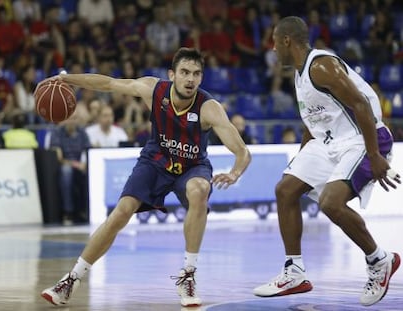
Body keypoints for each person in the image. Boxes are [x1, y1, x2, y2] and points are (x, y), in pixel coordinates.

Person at [40, 47, 251, 307]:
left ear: (201, 78)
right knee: (120, 213)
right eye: (185, 72)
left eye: (196, 74)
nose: (190, 79)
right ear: (172, 74)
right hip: (155, 160)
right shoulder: (153, 90)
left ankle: (188, 275)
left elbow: (242, 151)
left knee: (199, 190)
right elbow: (108, 83)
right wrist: (66, 79)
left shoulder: (210, 108)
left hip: (191, 166)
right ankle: (71, 280)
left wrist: (235, 172)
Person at [253, 16, 401, 307]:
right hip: (330, 142)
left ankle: (379, 260)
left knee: (331, 204)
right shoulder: (299, 74)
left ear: (287, 41)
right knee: (285, 190)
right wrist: (301, 161)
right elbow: (314, 121)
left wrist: (375, 155)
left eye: (274, 41)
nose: (271, 48)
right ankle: (294, 272)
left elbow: (360, 104)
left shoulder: (321, 65)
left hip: (363, 137)